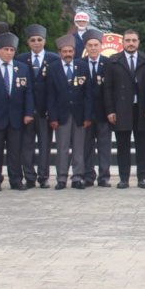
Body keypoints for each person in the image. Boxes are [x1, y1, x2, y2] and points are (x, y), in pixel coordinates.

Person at [0, 31, 35, 191]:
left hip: (16, 117)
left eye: (11, 50)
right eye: (6, 49)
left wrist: (28, 113)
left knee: (15, 151)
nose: (9, 53)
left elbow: (28, 92)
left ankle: (16, 179)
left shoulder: (22, 68)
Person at [102, 29, 145, 189]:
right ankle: (124, 178)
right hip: (121, 109)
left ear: (138, 42)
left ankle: (142, 178)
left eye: (134, 40)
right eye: (128, 40)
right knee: (123, 145)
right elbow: (107, 88)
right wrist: (110, 110)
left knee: (142, 145)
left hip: (141, 109)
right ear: (122, 42)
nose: (131, 43)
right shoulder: (113, 60)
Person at [50, 34, 90, 189]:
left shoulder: (82, 66)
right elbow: (50, 95)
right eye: (65, 51)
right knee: (62, 148)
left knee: (79, 148)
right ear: (60, 52)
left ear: (74, 52)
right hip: (61, 115)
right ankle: (61, 178)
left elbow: (88, 95)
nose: (68, 54)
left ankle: (77, 177)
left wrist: (87, 115)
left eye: (70, 51)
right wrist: (53, 117)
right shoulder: (53, 68)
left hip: (79, 115)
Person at [21, 24, 58, 189]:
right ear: (28, 42)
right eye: (33, 40)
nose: (36, 43)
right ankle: (29, 176)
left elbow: (56, 87)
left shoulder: (53, 59)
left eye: (39, 40)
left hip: (45, 111)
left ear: (44, 40)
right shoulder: (21, 60)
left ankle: (43, 177)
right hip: (27, 111)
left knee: (45, 145)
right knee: (26, 145)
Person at [80, 30, 111, 187]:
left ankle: (104, 176)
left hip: (104, 112)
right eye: (90, 45)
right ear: (86, 47)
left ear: (101, 46)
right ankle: (88, 175)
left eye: (96, 45)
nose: (93, 48)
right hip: (85, 114)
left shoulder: (108, 63)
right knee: (87, 146)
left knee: (104, 145)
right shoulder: (80, 64)